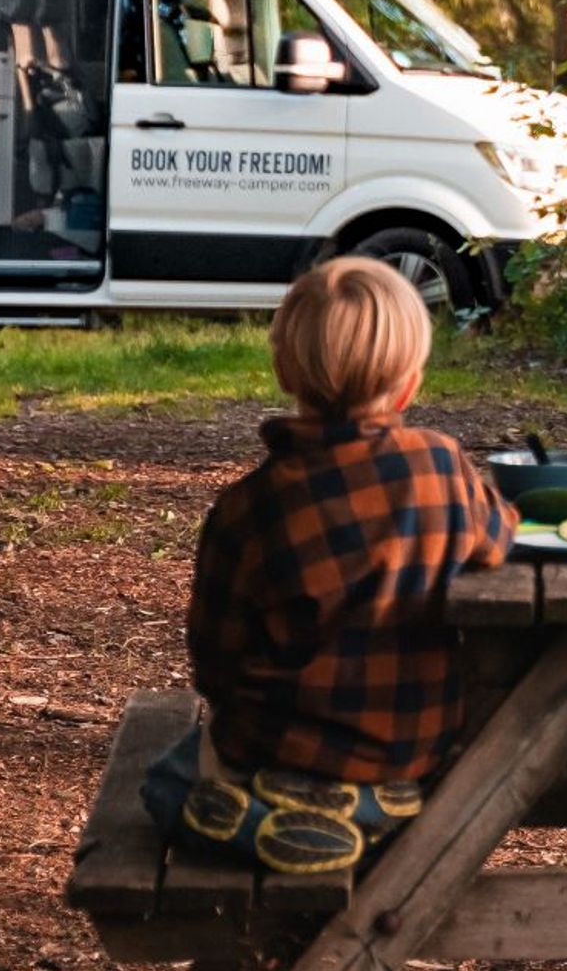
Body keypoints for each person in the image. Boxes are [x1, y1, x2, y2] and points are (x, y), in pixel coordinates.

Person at [141, 255, 516, 876]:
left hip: (276, 750)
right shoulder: (441, 467)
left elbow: (215, 662)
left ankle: (269, 816)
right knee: (192, 766)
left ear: (284, 369)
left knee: (164, 780)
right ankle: (375, 805)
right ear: (410, 386)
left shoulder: (247, 509)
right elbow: (500, 539)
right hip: (410, 751)